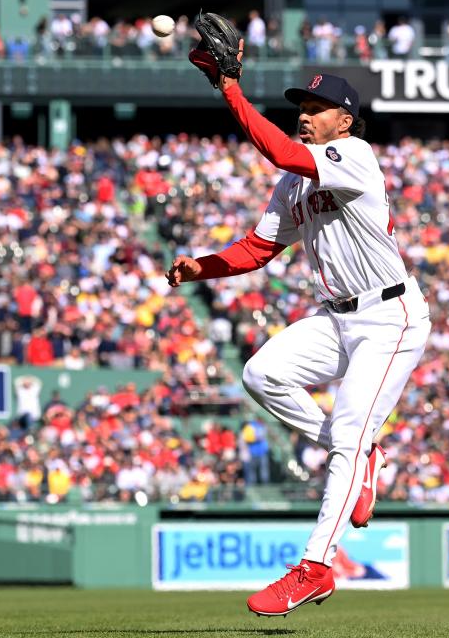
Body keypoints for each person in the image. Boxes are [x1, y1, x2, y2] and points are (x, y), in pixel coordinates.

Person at [171, 40, 430, 616]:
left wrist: (231, 89)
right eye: (300, 108)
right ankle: (361, 454)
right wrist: (204, 268)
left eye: (316, 107)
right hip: (336, 316)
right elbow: (260, 248)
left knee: (348, 431)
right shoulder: (294, 184)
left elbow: (283, 153)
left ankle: (315, 566)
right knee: (262, 373)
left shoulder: (355, 153)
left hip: (390, 318)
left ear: (346, 118)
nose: (305, 115)